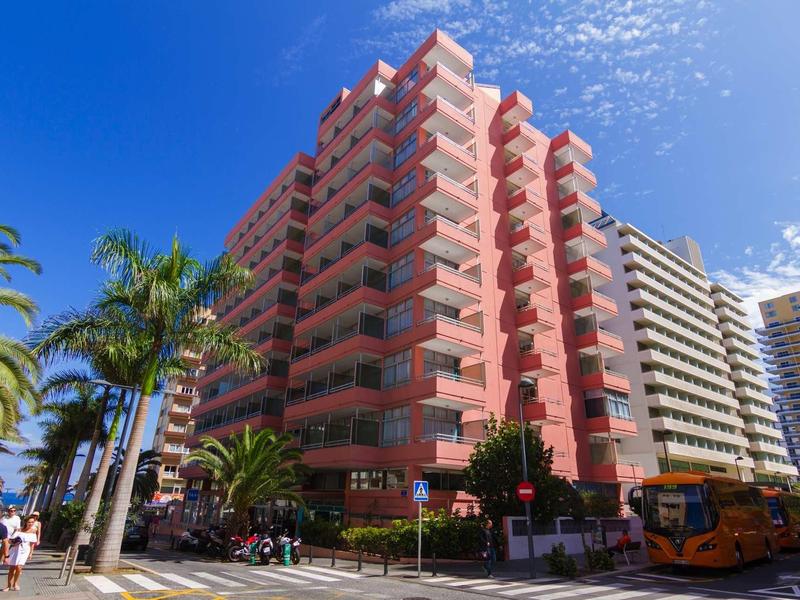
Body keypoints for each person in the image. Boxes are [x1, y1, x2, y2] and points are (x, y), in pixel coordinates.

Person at [4, 516, 38, 592]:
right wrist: (15, 541)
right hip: (15, 550)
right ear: (26, 522)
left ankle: (15, 584)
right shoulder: (19, 530)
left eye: (32, 522)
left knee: (19, 567)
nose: (31, 523)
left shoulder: (33, 531)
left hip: (25, 551)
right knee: (12, 568)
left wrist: (31, 553)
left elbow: (32, 544)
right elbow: (10, 541)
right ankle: (8, 585)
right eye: (29, 522)